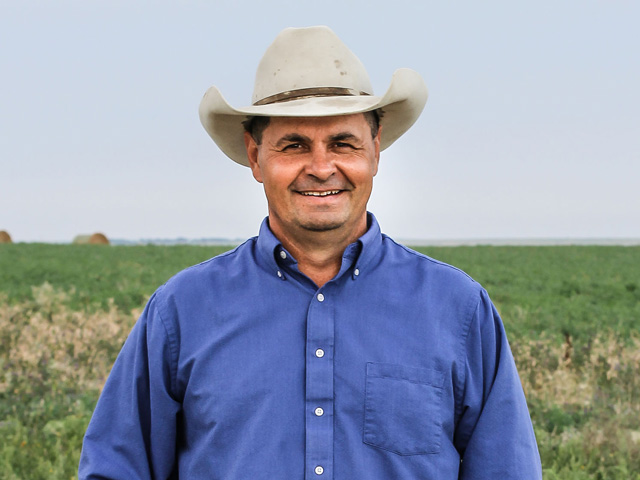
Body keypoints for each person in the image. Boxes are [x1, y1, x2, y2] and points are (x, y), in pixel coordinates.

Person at [79, 26, 542, 479]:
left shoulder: (458, 310)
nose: (321, 168)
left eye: (343, 143)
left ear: (375, 152)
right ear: (256, 156)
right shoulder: (181, 311)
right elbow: (116, 469)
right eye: (294, 145)